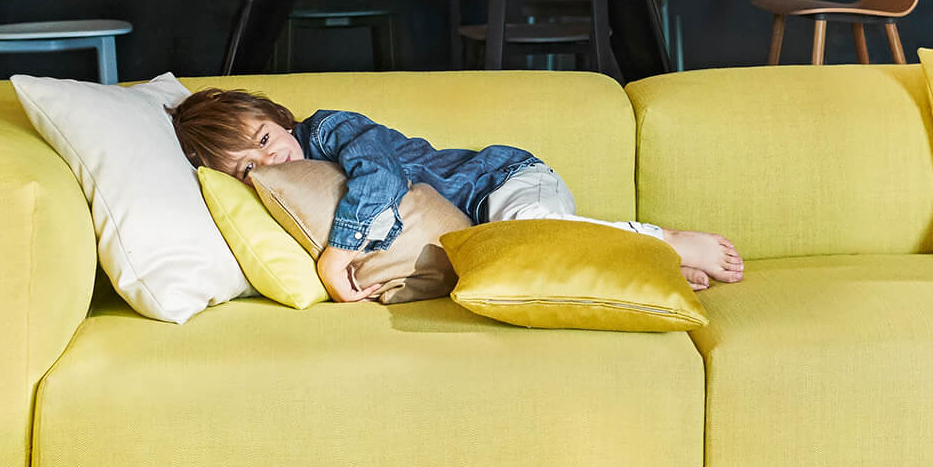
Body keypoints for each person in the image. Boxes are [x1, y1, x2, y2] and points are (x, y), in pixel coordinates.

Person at [171, 88, 742, 298]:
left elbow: (381, 177)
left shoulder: (329, 129)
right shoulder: (287, 190)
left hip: (504, 180)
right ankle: (651, 267)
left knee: (528, 237)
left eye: (264, 140)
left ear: (278, 119)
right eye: (247, 168)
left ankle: (662, 239)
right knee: (521, 268)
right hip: (484, 227)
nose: (270, 162)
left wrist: (337, 255)